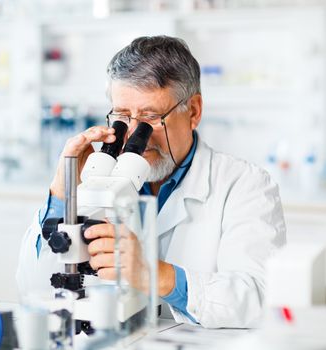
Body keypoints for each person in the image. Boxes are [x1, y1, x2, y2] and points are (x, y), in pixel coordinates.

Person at [16, 36, 286, 328]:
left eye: (151, 118)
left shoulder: (245, 185)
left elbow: (260, 300)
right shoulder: (100, 183)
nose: (133, 135)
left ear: (193, 111)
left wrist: (155, 275)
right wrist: (63, 192)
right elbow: (32, 289)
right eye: (121, 116)